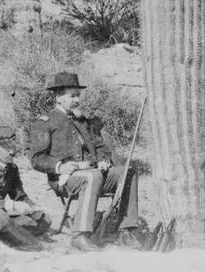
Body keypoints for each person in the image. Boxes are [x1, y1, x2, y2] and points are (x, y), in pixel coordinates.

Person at [29, 72, 140, 252]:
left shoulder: (82, 121)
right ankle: (80, 235)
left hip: (93, 173)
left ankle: (127, 230)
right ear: (58, 97)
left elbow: (101, 146)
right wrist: (59, 166)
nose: (77, 100)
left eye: (78, 95)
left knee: (128, 171)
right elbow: (36, 159)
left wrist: (104, 160)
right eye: (72, 96)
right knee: (91, 176)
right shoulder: (45, 123)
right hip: (64, 179)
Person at [0, 125, 51, 251]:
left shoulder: (12, 169)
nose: (12, 151)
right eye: (7, 147)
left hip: (1, 218)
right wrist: (10, 205)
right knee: (0, 215)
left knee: (45, 220)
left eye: (13, 146)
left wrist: (34, 208)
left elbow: (20, 196)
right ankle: (35, 246)